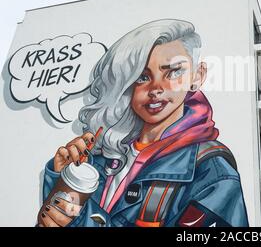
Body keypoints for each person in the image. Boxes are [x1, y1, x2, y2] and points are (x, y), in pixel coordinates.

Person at [38, 19, 249, 227]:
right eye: (142, 77)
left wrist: (83, 220)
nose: (156, 88)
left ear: (197, 75)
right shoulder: (100, 158)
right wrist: (63, 181)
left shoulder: (211, 171)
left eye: (174, 72)